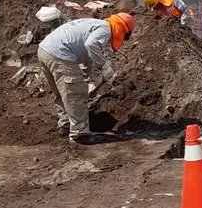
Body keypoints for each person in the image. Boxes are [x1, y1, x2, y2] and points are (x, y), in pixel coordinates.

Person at [37, 13, 134, 144]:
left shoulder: (94, 24)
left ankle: (66, 124)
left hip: (45, 50)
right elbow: (91, 45)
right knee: (75, 94)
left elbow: (87, 55)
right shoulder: (105, 29)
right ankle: (80, 134)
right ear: (123, 30)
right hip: (60, 54)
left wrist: (90, 79)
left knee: (62, 92)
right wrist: (104, 65)